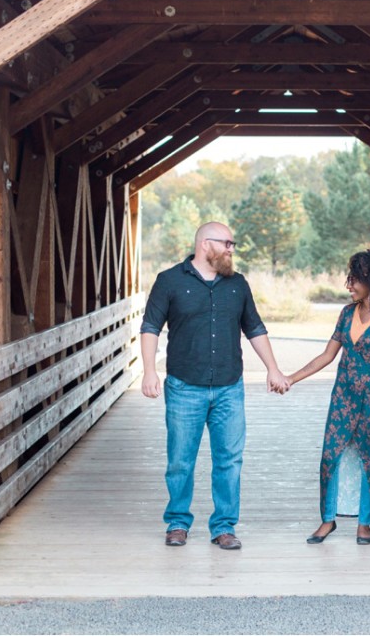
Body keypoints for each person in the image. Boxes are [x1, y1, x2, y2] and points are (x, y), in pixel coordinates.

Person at [140, 222, 290, 551]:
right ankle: (177, 523)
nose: (232, 250)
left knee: (229, 460)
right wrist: (149, 371)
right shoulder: (169, 281)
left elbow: (255, 328)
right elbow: (150, 327)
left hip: (229, 388)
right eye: (227, 244)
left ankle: (224, 526)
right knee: (180, 460)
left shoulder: (237, 285)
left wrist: (273, 369)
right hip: (183, 387)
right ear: (206, 244)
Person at [287, 250, 370, 545]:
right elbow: (327, 355)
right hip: (343, 394)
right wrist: (291, 379)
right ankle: (328, 520)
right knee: (331, 456)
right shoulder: (346, 313)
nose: (348, 285)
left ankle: (365, 524)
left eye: (354, 280)